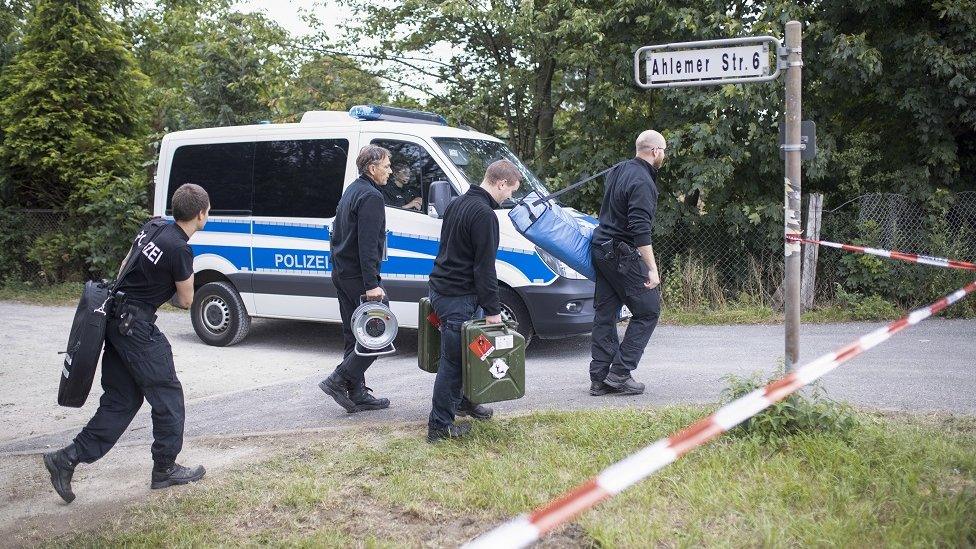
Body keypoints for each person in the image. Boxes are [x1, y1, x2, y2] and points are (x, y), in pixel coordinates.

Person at [43, 184, 210, 503]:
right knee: (167, 394)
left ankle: (65, 459)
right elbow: (187, 300)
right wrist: (165, 293)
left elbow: (124, 264)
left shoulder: (154, 226)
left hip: (116, 318)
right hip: (138, 328)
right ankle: (165, 468)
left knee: (122, 400)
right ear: (201, 214)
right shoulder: (180, 248)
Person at [426, 159, 522, 442]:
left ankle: (465, 402)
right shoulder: (484, 214)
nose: (510, 197)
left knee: (473, 354)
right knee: (454, 363)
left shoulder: (457, 203)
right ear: (501, 183)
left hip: (444, 290)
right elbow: (484, 267)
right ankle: (440, 427)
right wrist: (493, 310)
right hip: (459, 297)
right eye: (511, 191)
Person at [588, 130, 665, 397]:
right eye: (663, 152)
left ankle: (599, 378)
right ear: (655, 151)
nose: (663, 156)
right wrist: (652, 269)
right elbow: (640, 230)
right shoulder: (643, 181)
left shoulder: (618, 170)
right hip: (621, 255)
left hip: (601, 249)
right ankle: (619, 374)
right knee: (648, 310)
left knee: (605, 313)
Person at [319, 145, 393, 413]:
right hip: (359, 278)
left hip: (342, 273)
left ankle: (357, 392)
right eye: (386, 166)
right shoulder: (371, 197)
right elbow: (367, 245)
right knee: (379, 334)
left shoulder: (352, 190)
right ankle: (338, 379)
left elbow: (337, 236)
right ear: (372, 168)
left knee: (355, 334)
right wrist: (372, 284)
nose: (390, 171)